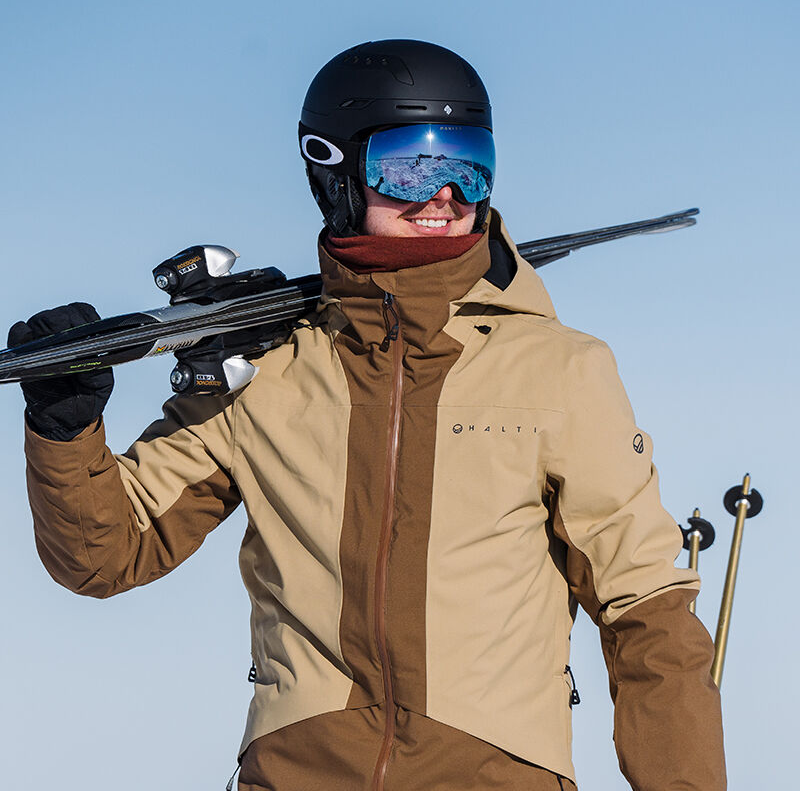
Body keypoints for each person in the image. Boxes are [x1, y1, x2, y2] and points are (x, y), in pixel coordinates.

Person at [11, 40, 725, 790]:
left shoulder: (558, 370)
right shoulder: (265, 370)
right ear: (336, 173)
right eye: (409, 167)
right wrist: (65, 427)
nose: (444, 193)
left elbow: (648, 615)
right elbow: (106, 554)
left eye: (469, 165)